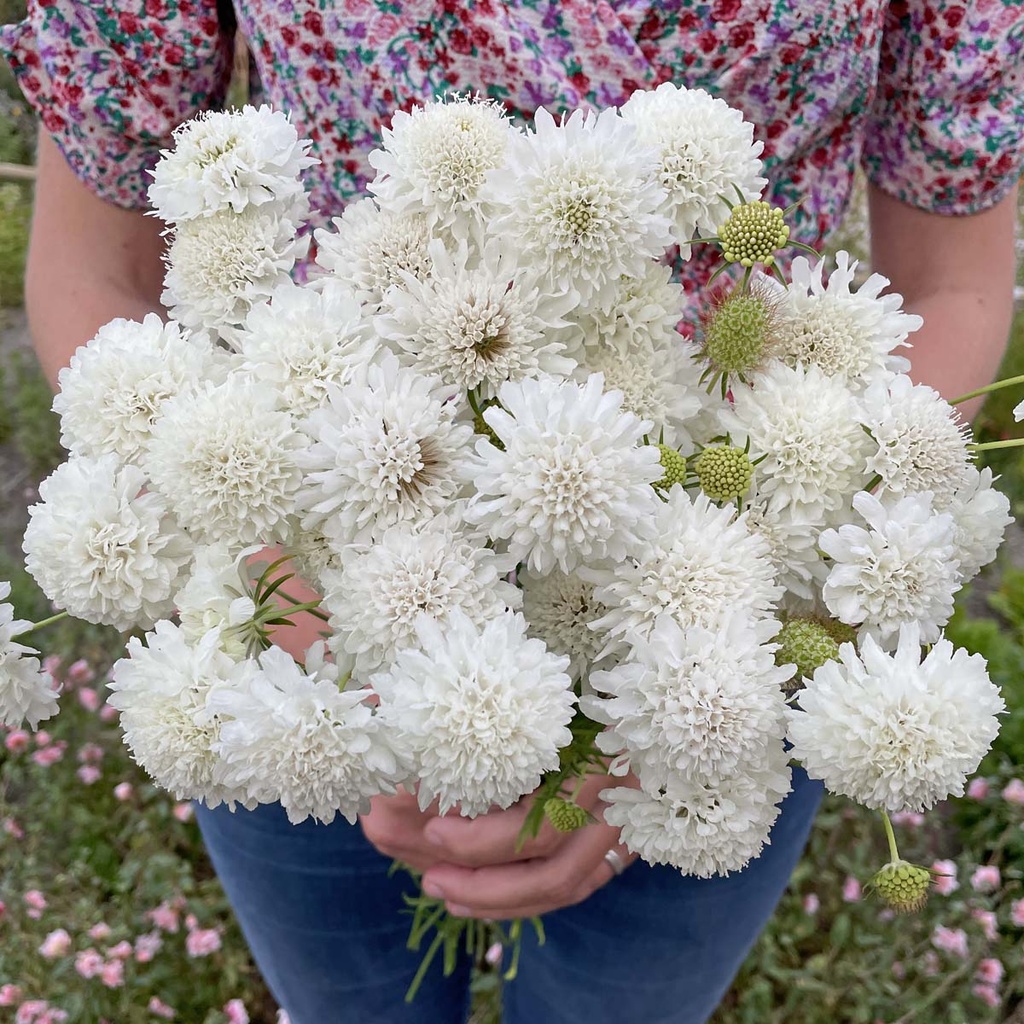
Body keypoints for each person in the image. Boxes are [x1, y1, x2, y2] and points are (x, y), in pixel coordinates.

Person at [2, 2, 1021, 1022]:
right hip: (293, 625)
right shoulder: (284, 639)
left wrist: (657, 731)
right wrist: (287, 600)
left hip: (727, 609)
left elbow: (951, 279)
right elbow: (99, 265)